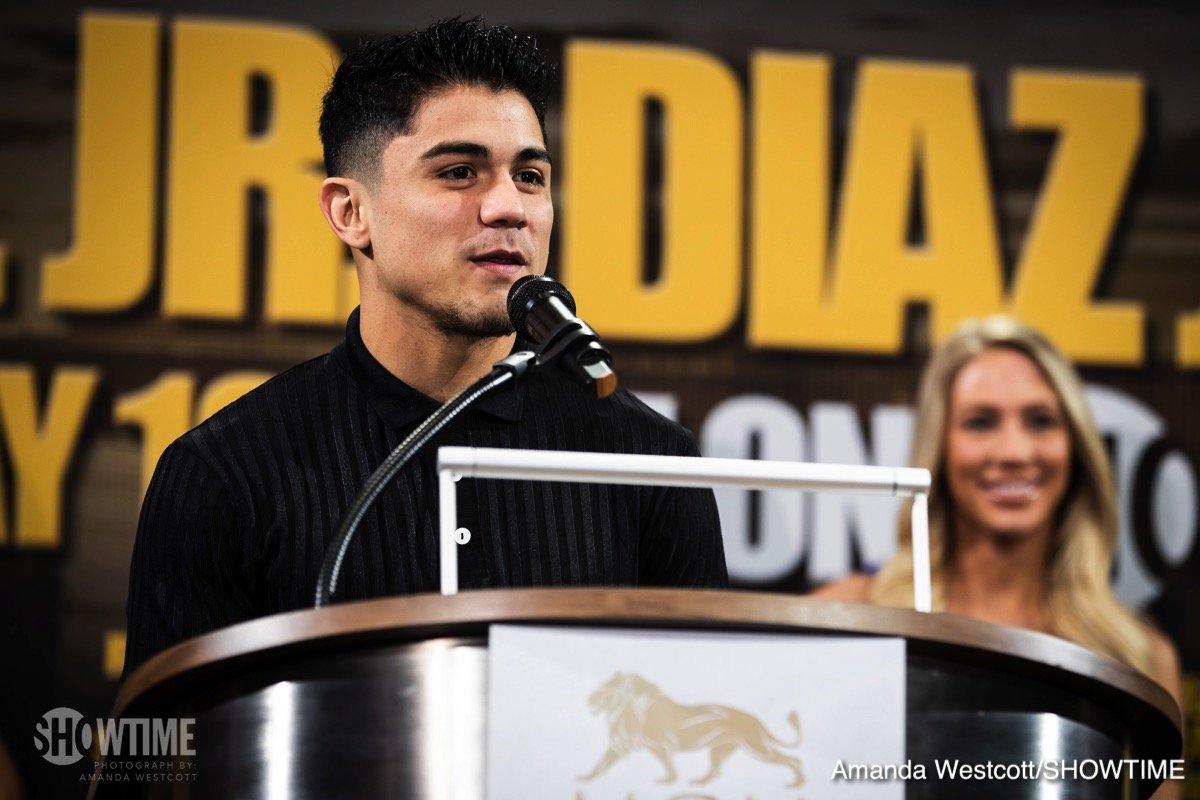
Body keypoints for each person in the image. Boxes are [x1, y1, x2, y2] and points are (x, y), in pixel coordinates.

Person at [123, 17, 727, 676]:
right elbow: (162, 761)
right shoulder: (228, 470)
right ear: (351, 213)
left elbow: (698, 748)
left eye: (530, 176)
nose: (508, 208)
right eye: (461, 171)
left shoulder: (649, 461)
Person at [812, 316, 1182, 708]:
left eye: (1041, 421)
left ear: (1075, 447)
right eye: (980, 423)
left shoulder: (1144, 660)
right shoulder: (849, 617)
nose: (1015, 453)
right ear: (939, 447)